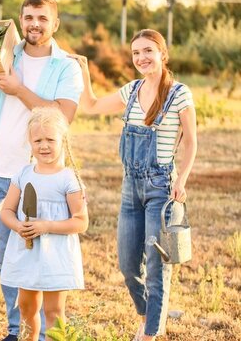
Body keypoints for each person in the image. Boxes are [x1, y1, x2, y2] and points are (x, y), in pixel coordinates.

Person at [0, 0, 83, 341]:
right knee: (9, 256)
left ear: (54, 23)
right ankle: (17, 332)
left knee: (43, 253)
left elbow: (62, 117)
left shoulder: (66, 66)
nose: (34, 24)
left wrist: (18, 88)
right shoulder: (1, 55)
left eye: (42, 18)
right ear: (21, 20)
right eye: (28, 17)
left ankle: (46, 335)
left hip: (41, 173)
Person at [68, 29, 197, 341]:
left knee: (157, 263)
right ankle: (151, 312)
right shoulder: (132, 90)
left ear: (162, 54)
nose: (142, 57)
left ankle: (151, 331)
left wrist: (182, 179)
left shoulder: (179, 93)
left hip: (161, 187)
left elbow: (192, 141)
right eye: (136, 52)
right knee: (127, 265)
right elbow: (93, 106)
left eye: (148, 51)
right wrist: (84, 71)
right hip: (130, 188)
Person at [0, 107, 88, 340]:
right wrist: (18, 226)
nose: (44, 145)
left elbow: (81, 222)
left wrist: (47, 226)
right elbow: (6, 210)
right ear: (30, 142)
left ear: (62, 140)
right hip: (26, 252)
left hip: (55, 255)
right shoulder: (23, 174)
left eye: (50, 139)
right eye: (38, 140)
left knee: (53, 310)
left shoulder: (68, 178)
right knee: (27, 307)